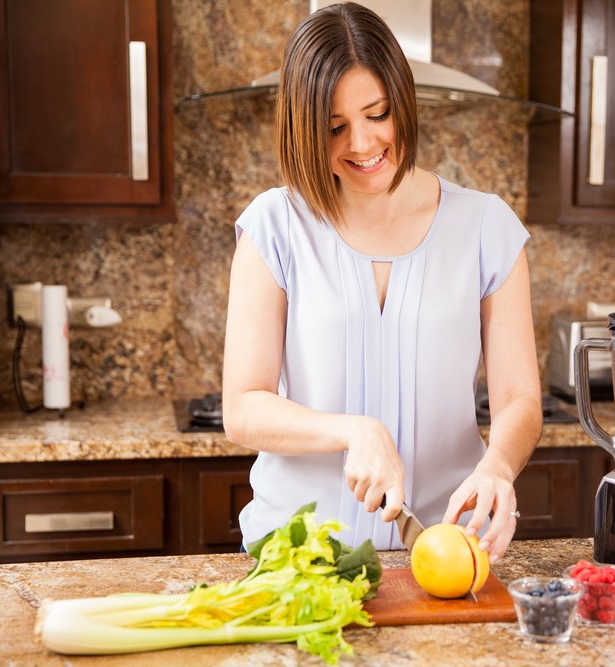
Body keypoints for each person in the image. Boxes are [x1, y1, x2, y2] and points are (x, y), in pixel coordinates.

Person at [222, 2, 541, 562]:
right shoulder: (275, 226)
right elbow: (244, 408)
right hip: (298, 554)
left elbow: (520, 398)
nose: (363, 144)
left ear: (403, 102)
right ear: (303, 129)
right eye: (334, 128)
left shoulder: (486, 227)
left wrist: (497, 466)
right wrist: (355, 431)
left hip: (446, 549)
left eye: (378, 114)